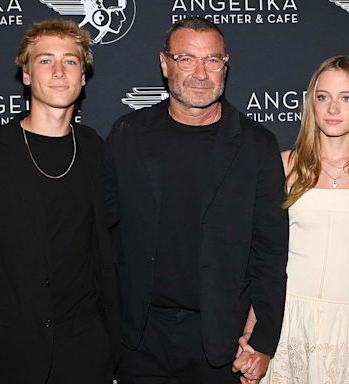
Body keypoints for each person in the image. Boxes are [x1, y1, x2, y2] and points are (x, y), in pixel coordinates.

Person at [105, 17, 289, 383]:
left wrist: (262, 339)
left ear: (226, 65)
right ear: (164, 64)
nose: (201, 73)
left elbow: (271, 252)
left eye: (213, 60)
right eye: (186, 59)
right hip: (140, 338)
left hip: (222, 342)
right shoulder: (128, 134)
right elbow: (102, 234)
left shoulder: (256, 145)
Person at [239, 55, 349, 383]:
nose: (332, 109)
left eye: (346, 98)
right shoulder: (285, 167)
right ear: (311, 104)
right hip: (288, 321)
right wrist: (252, 330)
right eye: (323, 97)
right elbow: (267, 261)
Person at [0, 19, 119, 384]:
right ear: (26, 75)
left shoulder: (94, 148)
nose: (59, 71)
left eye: (70, 61)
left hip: (87, 349)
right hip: (12, 349)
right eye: (45, 61)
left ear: (83, 76)